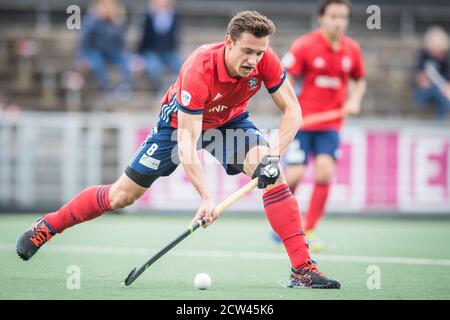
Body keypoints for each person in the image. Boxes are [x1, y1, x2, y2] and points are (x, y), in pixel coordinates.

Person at [17, 11, 340, 289]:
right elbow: (188, 142)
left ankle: (302, 269)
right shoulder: (198, 68)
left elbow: (293, 111)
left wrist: (274, 154)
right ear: (228, 42)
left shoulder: (264, 59)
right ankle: (47, 226)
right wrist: (205, 198)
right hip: (177, 125)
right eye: (247, 52)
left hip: (230, 121)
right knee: (121, 196)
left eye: (259, 53)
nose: (253, 60)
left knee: (272, 175)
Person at [279, 0, 366, 251]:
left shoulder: (352, 49)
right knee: (294, 175)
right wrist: (289, 108)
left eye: (343, 17)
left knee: (325, 173)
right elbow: (286, 79)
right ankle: (284, 224)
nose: (338, 22)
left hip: (330, 125)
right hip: (302, 123)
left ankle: (309, 228)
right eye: (333, 16)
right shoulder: (304, 45)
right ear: (321, 18)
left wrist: (354, 100)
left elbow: (360, 80)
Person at [76, 0, 132, 97]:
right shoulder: (92, 20)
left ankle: (125, 87)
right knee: (98, 63)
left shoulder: (115, 22)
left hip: (112, 52)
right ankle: (106, 88)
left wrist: (117, 23)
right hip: (94, 51)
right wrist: (81, 57)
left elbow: (120, 43)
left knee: (126, 60)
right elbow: (84, 41)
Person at [138, 0, 182, 93]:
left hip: (169, 51)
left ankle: (177, 90)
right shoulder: (149, 16)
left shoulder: (172, 15)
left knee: (181, 67)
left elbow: (175, 36)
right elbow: (144, 37)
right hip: (152, 51)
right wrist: (140, 55)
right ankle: (160, 90)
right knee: (154, 68)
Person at [413, 26, 450, 120]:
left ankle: (440, 122)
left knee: (440, 93)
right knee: (439, 92)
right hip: (424, 93)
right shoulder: (423, 57)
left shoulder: (446, 59)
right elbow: (419, 79)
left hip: (442, 91)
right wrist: (422, 80)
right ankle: (440, 122)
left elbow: (446, 80)